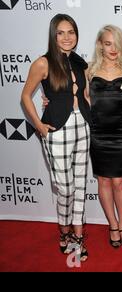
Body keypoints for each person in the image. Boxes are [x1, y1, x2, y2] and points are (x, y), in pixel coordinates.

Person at [21, 13, 91, 261]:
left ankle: (79, 235)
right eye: (60, 32)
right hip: (57, 131)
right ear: (53, 35)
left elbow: (85, 95)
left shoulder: (81, 63)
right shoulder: (43, 63)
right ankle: (64, 231)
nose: (66, 37)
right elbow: (25, 96)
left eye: (71, 31)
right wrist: (39, 125)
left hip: (82, 127)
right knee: (66, 188)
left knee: (81, 186)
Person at [87, 25, 122, 248]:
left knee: (120, 181)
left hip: (121, 133)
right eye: (107, 43)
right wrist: (49, 101)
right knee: (104, 180)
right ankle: (113, 225)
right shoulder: (88, 70)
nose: (113, 48)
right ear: (100, 45)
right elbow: (77, 98)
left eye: (116, 43)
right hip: (98, 134)